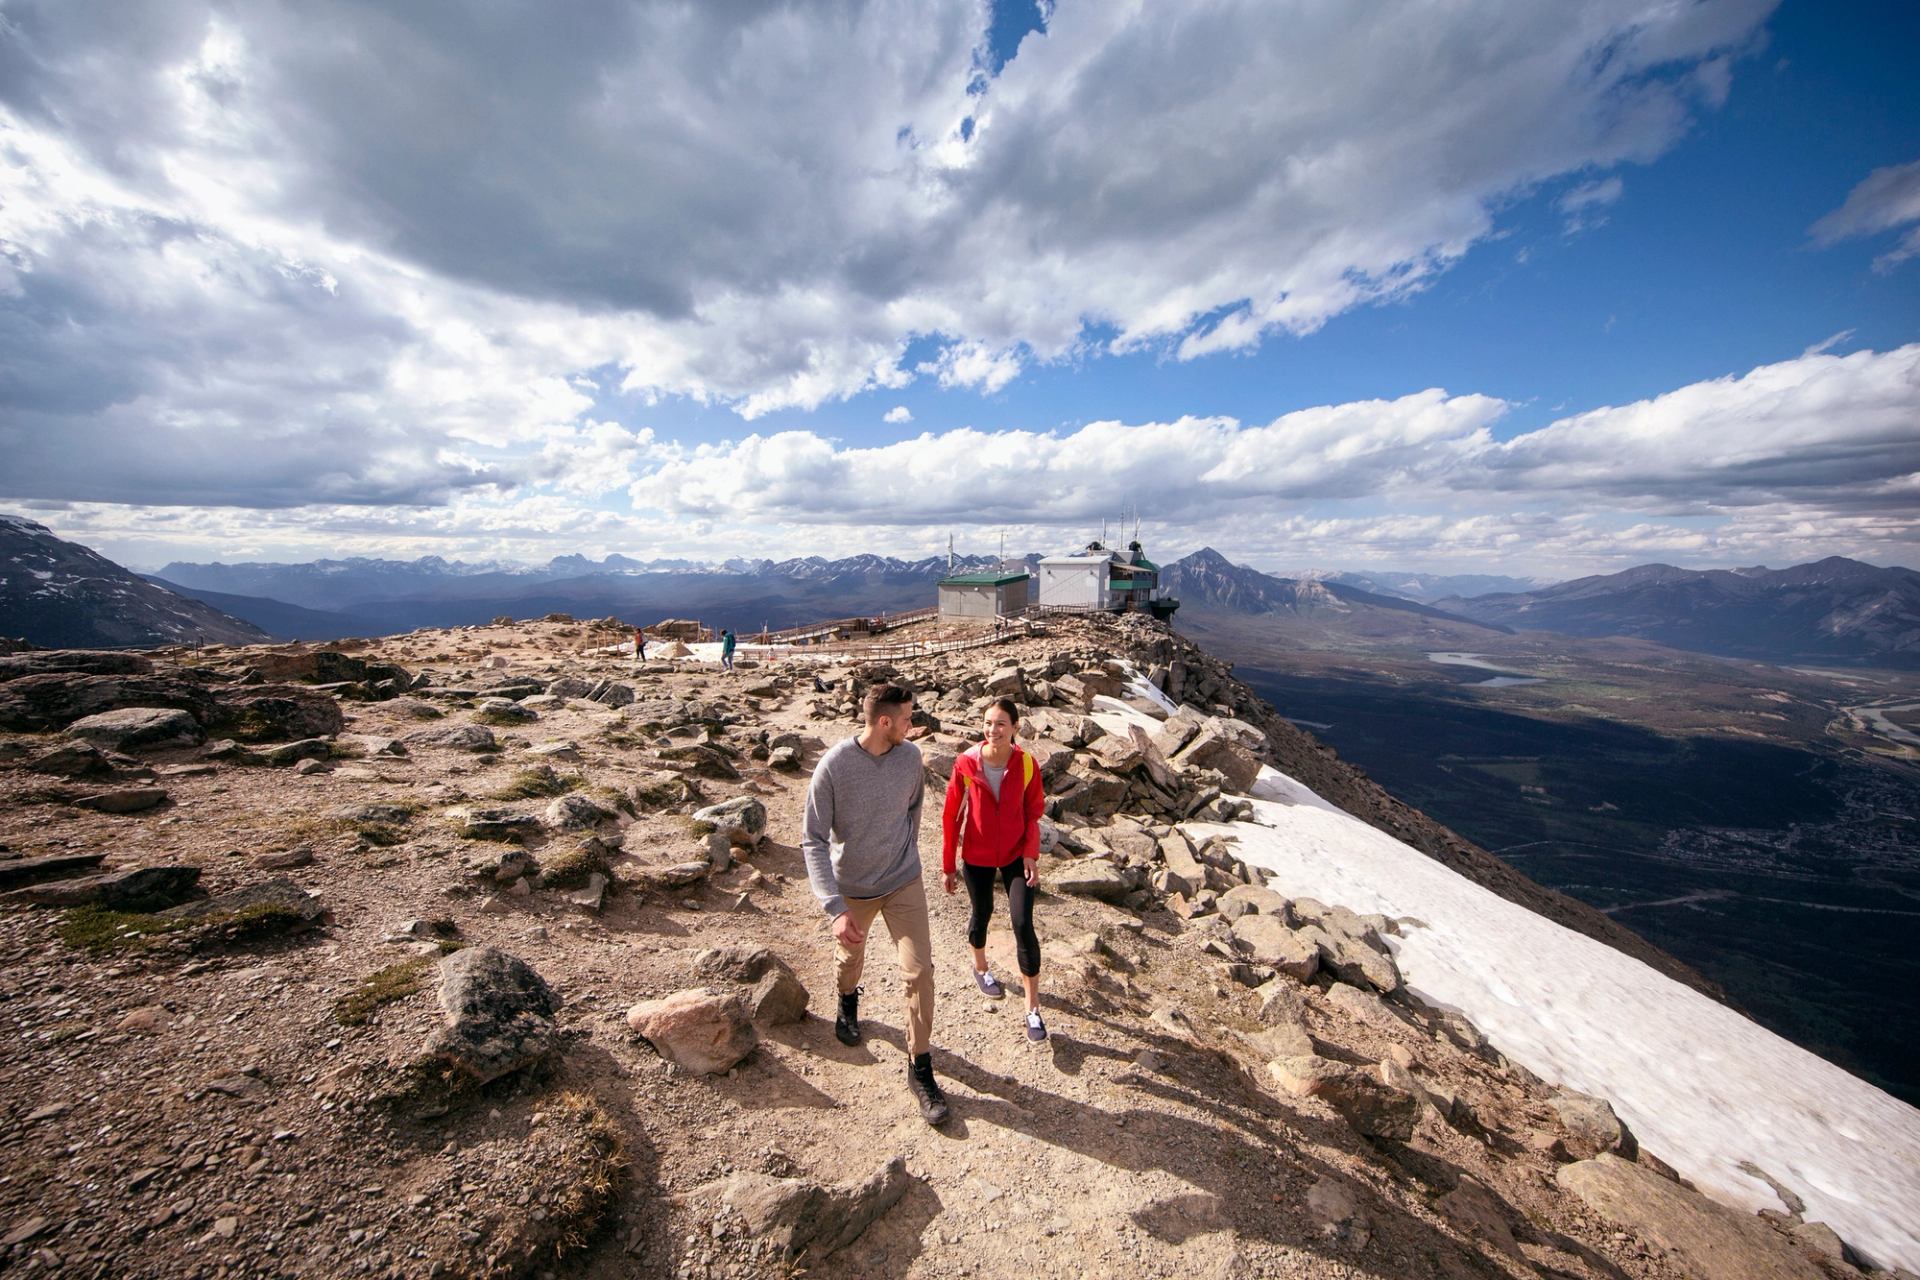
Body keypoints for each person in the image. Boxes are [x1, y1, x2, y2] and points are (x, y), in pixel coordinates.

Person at [801, 682, 950, 1124]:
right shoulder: (834, 767)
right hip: (854, 889)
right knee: (849, 960)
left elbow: (912, 813)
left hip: (904, 881)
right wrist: (834, 907)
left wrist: (906, 856)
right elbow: (812, 839)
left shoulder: (910, 758)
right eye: (907, 717)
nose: (913, 723)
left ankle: (920, 1067)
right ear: (884, 722)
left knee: (920, 971)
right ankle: (848, 998)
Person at [941, 697, 1048, 1041]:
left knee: (1021, 922)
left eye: (1001, 723)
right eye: (988, 723)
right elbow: (950, 816)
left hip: (1017, 854)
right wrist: (948, 866)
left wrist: (1031, 853)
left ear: (1016, 728)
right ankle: (981, 968)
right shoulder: (966, 763)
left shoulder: (1027, 764)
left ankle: (1032, 1009)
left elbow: (1033, 813)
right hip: (977, 854)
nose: (993, 730)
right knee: (982, 911)